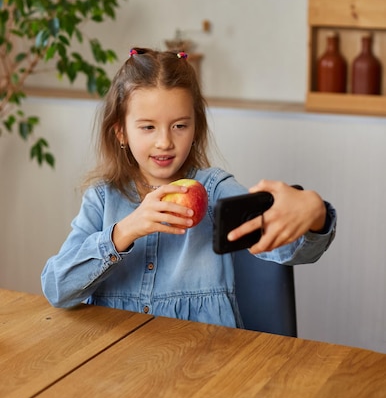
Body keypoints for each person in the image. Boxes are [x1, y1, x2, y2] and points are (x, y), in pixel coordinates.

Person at [41, 47, 336, 328]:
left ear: (196, 129)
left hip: (202, 363)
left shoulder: (216, 190)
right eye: (147, 127)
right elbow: (57, 289)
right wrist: (125, 231)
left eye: (180, 125)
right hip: (117, 363)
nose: (165, 142)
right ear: (121, 132)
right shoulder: (102, 199)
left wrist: (314, 214)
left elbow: (290, 249)